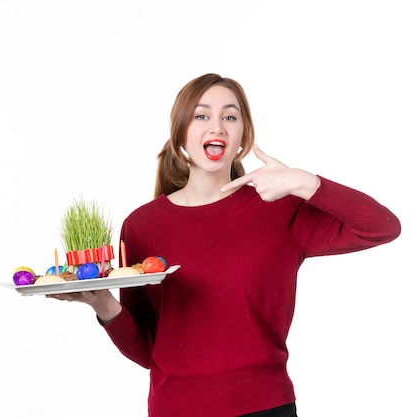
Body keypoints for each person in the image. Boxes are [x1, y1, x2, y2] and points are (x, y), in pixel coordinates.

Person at [47, 73, 401, 417]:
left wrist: (300, 181)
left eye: (229, 117)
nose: (216, 126)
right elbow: (148, 352)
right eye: (202, 115)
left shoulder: (279, 209)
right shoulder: (141, 226)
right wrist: (103, 303)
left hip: (265, 408)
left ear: (243, 136)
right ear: (181, 134)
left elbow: (381, 227)